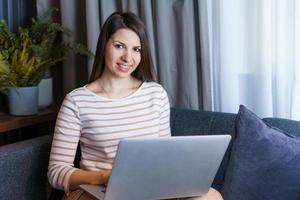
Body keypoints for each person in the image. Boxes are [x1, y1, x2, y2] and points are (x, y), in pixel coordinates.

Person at [48, 11, 223, 200]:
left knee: (210, 196)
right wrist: (104, 177)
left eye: (136, 49)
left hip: (150, 189)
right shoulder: (77, 101)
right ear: (104, 46)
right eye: (119, 46)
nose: (128, 58)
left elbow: (165, 156)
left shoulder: (156, 94)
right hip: (97, 191)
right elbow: (56, 171)